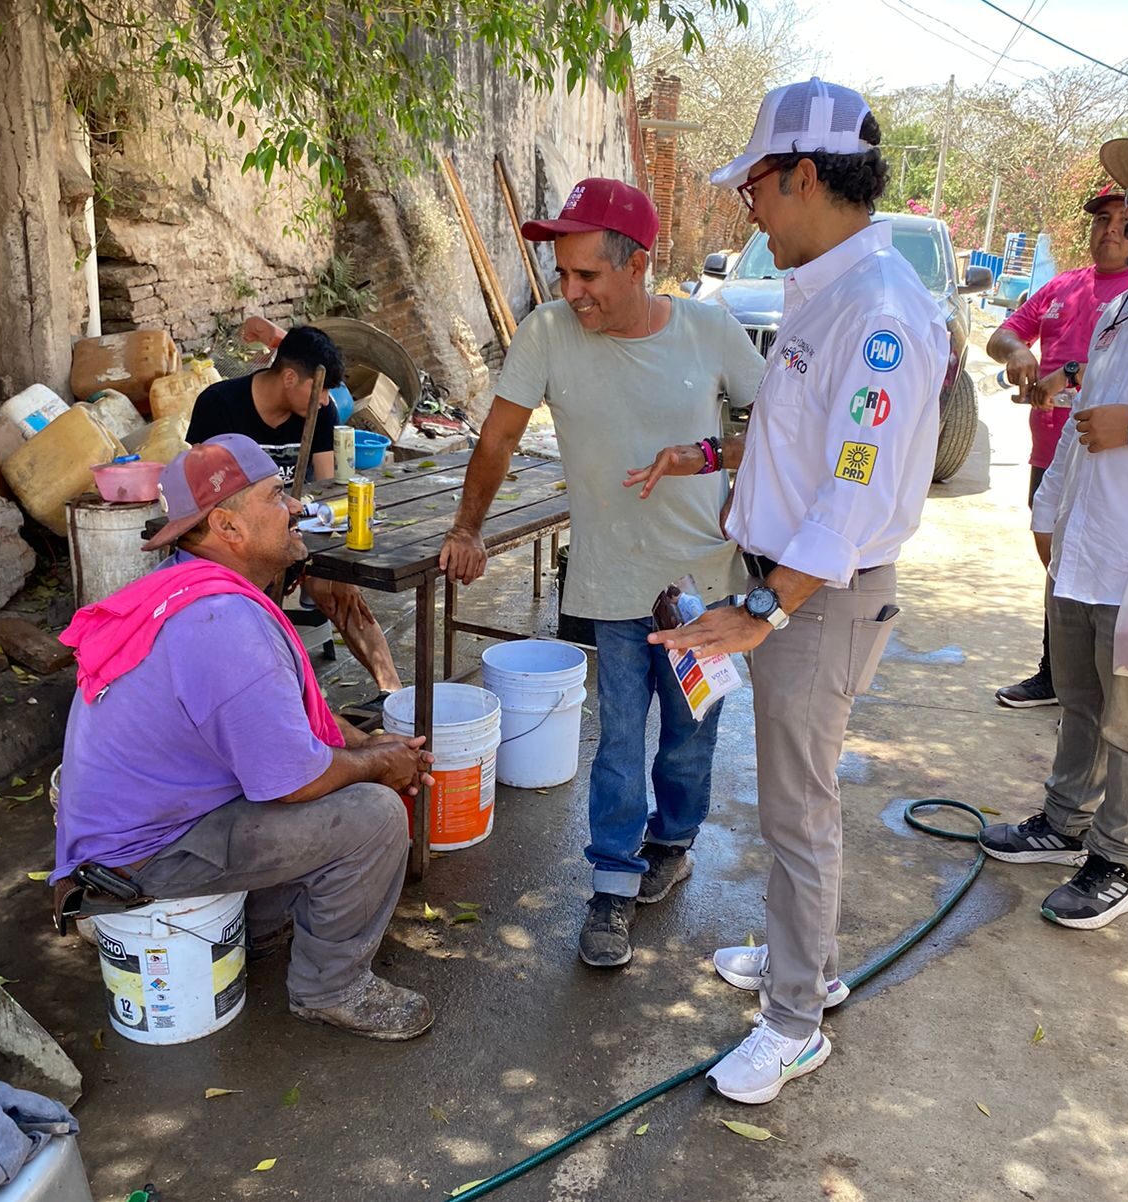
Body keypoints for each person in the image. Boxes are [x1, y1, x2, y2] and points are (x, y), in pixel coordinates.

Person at [636, 77, 948, 1105]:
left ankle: (795, 1021)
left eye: (756, 189)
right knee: (785, 799)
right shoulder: (829, 293)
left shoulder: (884, 313)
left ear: (806, 175)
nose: (750, 210)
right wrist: (708, 455)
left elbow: (851, 496)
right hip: (786, 580)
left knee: (799, 810)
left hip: (818, 596)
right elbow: (806, 445)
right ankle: (797, 959)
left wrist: (766, 608)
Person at [438, 177, 766, 968]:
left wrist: (711, 456)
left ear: (638, 263)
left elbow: (783, 436)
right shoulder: (547, 333)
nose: (571, 291)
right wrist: (467, 528)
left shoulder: (712, 332)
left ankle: (674, 841)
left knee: (688, 738)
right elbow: (497, 440)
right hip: (612, 581)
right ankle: (612, 887)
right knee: (619, 738)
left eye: (587, 274)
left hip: (705, 588)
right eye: (563, 274)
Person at [53, 434, 435, 1039]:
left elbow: (265, 718)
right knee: (375, 815)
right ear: (228, 526)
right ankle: (329, 987)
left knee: (344, 767)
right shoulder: (222, 623)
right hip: (141, 859)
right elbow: (293, 779)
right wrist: (377, 767)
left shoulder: (189, 586)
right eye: (278, 494)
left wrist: (359, 744)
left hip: (152, 824)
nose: (294, 506)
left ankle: (255, 928)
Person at [978, 134, 1128, 929]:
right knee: (1082, 698)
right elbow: (1084, 419)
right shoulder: (1127, 304)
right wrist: (1049, 513)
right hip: (1089, 544)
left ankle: (1119, 861)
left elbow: (1119, 422)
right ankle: (1065, 823)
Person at [187, 325, 404, 698]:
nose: (323, 402)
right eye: (317, 391)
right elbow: (202, 494)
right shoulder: (218, 405)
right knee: (235, 606)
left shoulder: (322, 413)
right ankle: (260, 694)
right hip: (235, 540)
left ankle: (395, 695)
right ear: (289, 377)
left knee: (339, 589)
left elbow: (326, 492)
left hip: (295, 531)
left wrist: (337, 567)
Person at [986, 188, 1128, 708]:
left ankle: (1099, 690)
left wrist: (1066, 374)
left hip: (1106, 464)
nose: (1109, 229)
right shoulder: (1063, 288)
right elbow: (1003, 333)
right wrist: (1020, 351)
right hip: (1049, 457)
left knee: (1102, 577)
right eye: (1101, 220)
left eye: (1121, 219)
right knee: (1057, 568)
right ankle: (1058, 676)